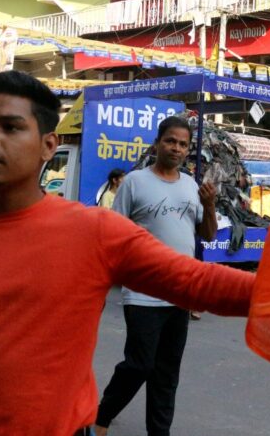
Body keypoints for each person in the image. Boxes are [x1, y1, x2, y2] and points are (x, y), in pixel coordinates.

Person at [0, 71, 253, 436]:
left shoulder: (94, 232)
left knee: (161, 374)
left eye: (10, 127)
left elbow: (196, 281)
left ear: (48, 145)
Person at [94, 116, 217, 436]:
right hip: (143, 292)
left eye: (183, 144)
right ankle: (101, 417)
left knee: (166, 373)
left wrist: (209, 205)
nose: (176, 148)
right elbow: (114, 234)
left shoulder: (191, 186)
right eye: (170, 141)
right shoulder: (135, 182)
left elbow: (207, 234)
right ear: (157, 143)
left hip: (180, 293)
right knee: (139, 364)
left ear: (188, 150)